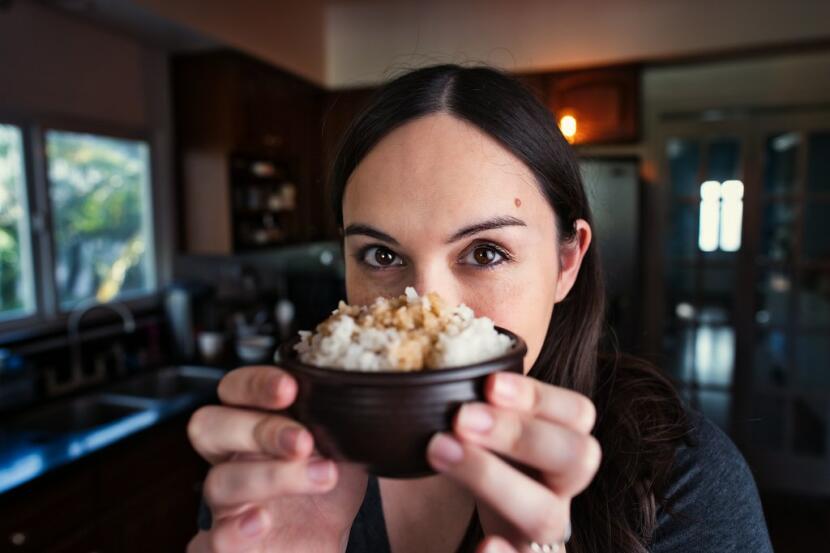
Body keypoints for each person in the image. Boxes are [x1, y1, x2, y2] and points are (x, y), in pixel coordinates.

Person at [186, 64, 773, 553]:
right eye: (380, 253)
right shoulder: (277, 473)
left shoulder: (685, 485)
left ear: (567, 262)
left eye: (486, 252)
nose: (431, 309)